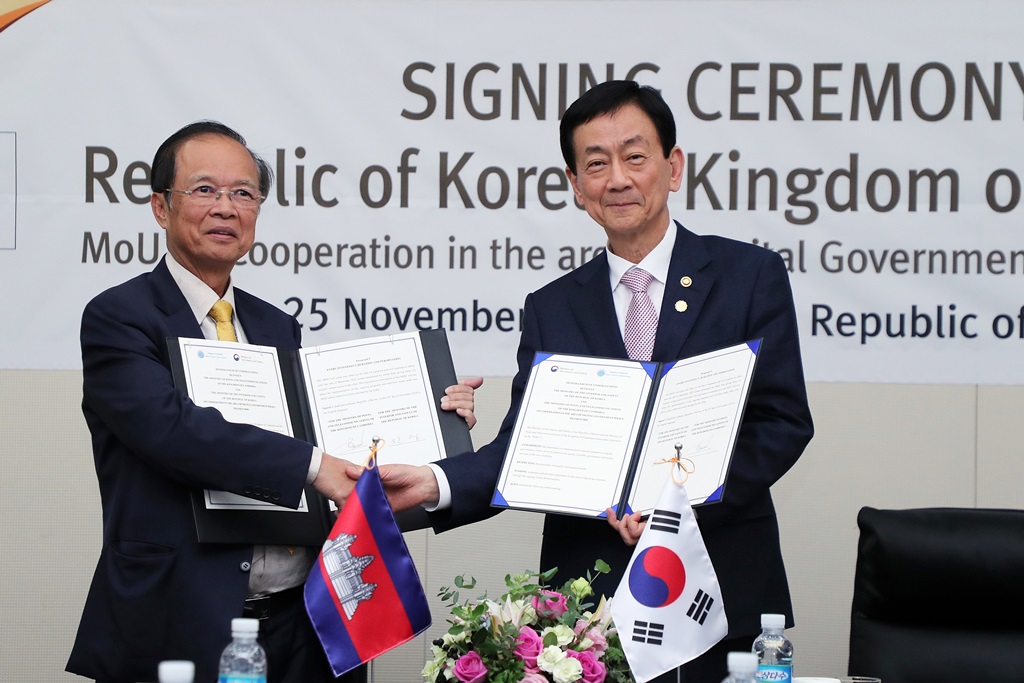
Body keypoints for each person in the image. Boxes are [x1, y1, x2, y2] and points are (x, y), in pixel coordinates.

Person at [377, 81, 814, 682]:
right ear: (576, 186)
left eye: (635, 156)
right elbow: (525, 453)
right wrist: (435, 481)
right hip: (587, 612)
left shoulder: (748, 276)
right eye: (596, 163)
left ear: (674, 166)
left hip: (721, 587)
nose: (618, 178)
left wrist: (674, 511)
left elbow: (782, 422)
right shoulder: (552, 307)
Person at [65, 121, 479, 683]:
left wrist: (434, 422)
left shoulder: (275, 325)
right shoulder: (119, 317)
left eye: (243, 193)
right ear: (161, 207)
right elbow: (171, 431)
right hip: (181, 613)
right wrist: (314, 467)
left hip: (300, 624)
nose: (226, 208)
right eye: (204, 190)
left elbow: (318, 436)